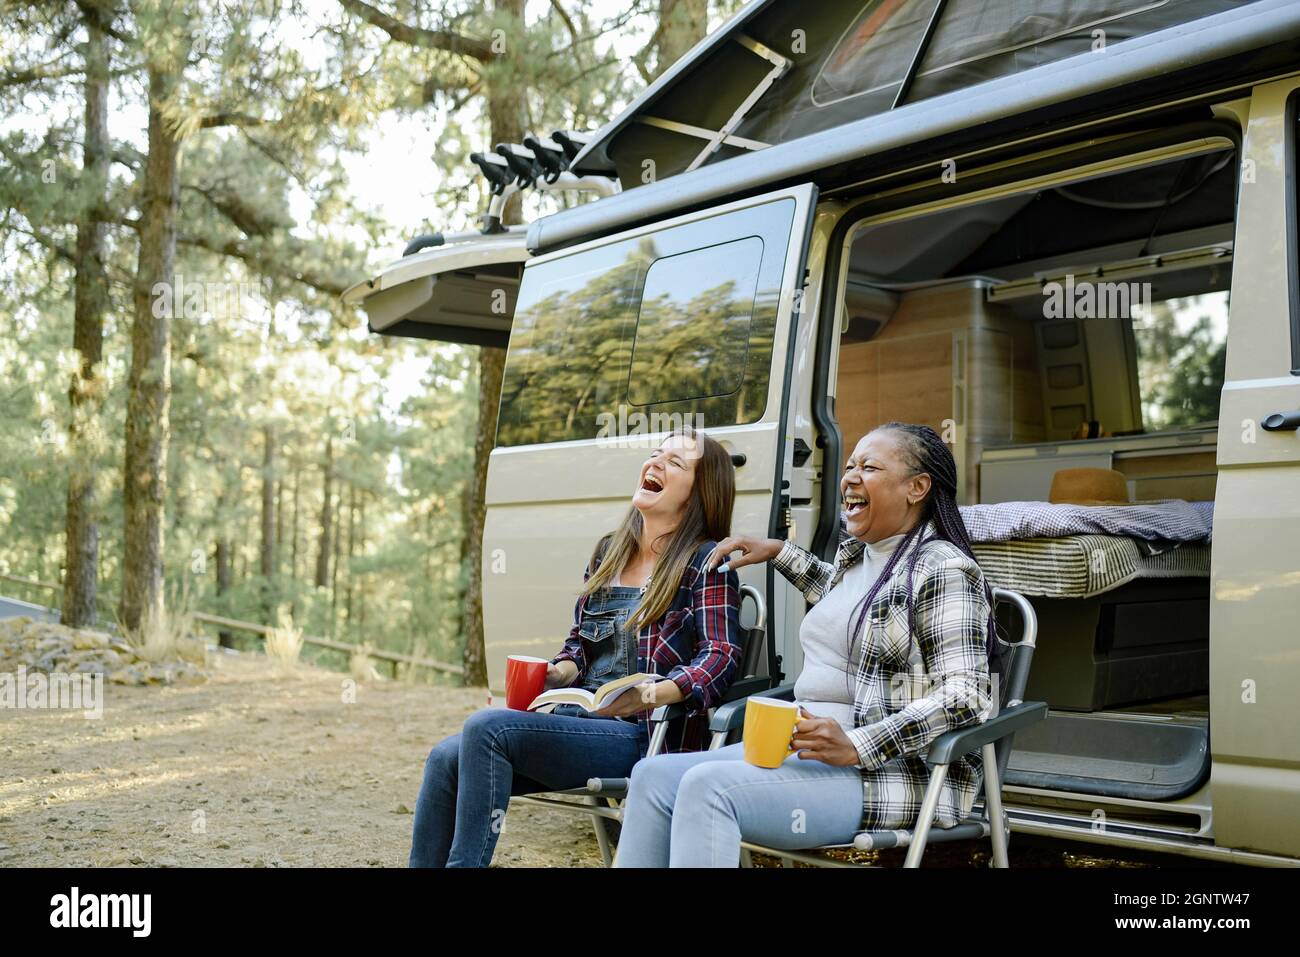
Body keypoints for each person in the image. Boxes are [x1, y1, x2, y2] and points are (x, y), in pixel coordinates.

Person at [614, 422, 996, 868]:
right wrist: (778, 551)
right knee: (651, 777)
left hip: (887, 774)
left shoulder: (943, 568)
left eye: (869, 468)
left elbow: (969, 694)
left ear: (917, 487)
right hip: (807, 754)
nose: (849, 477)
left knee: (708, 788)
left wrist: (858, 744)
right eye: (850, 465)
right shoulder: (862, 556)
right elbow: (844, 602)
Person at [409, 426, 742, 867]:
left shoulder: (706, 562)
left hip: (643, 734)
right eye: (656, 454)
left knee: (488, 729)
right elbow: (579, 648)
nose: (656, 463)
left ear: (699, 493)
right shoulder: (610, 552)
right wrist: (558, 673)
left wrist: (649, 693)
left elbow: (722, 655)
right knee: (444, 758)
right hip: (579, 721)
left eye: (675, 462)